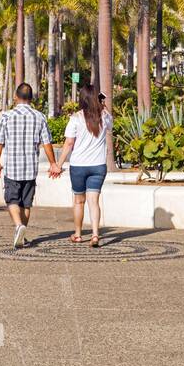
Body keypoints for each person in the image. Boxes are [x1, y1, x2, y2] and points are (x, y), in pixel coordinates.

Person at [0, 82, 57, 249]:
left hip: (12, 167)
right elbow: (47, 143)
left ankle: (18, 226)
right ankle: (22, 234)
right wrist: (53, 163)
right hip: (30, 168)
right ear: (31, 98)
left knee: (12, 199)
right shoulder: (39, 116)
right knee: (26, 203)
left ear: (15, 96)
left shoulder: (6, 116)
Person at [55, 83, 115, 246]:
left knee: (79, 201)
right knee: (94, 201)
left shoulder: (75, 118)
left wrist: (58, 165)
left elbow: (68, 144)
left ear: (82, 99)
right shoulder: (105, 117)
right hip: (98, 166)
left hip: (79, 166)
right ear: (97, 99)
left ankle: (78, 234)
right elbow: (110, 125)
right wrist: (103, 104)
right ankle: (95, 235)